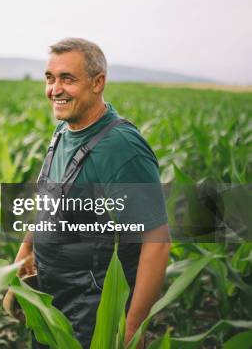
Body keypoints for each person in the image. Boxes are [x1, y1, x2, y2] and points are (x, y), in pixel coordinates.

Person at [15, 38, 171, 348]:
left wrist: (131, 328)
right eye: (50, 78)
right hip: (52, 299)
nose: (54, 89)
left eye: (67, 79)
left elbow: (158, 242)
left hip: (93, 313)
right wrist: (26, 248)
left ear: (98, 82)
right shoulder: (63, 131)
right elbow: (50, 198)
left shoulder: (121, 148)